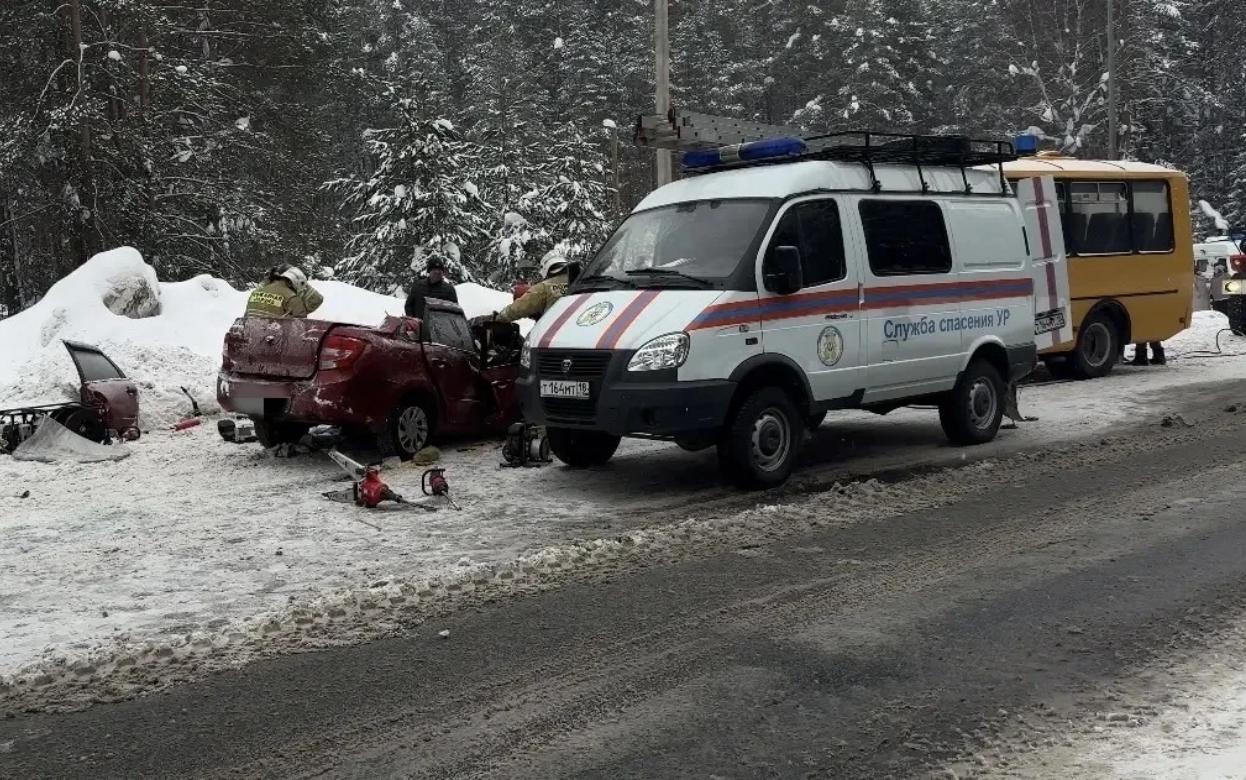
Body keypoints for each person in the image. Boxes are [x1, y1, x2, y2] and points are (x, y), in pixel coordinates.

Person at [487, 250, 570, 324]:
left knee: (530, 340)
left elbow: (520, 307)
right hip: (578, 333)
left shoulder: (545, 286)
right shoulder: (578, 281)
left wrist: (499, 317)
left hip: (553, 332)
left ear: (546, 267)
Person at [245, 266, 323, 318]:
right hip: (274, 339)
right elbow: (301, 326)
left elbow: (246, 317)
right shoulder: (292, 297)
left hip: (251, 336)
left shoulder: (256, 292)